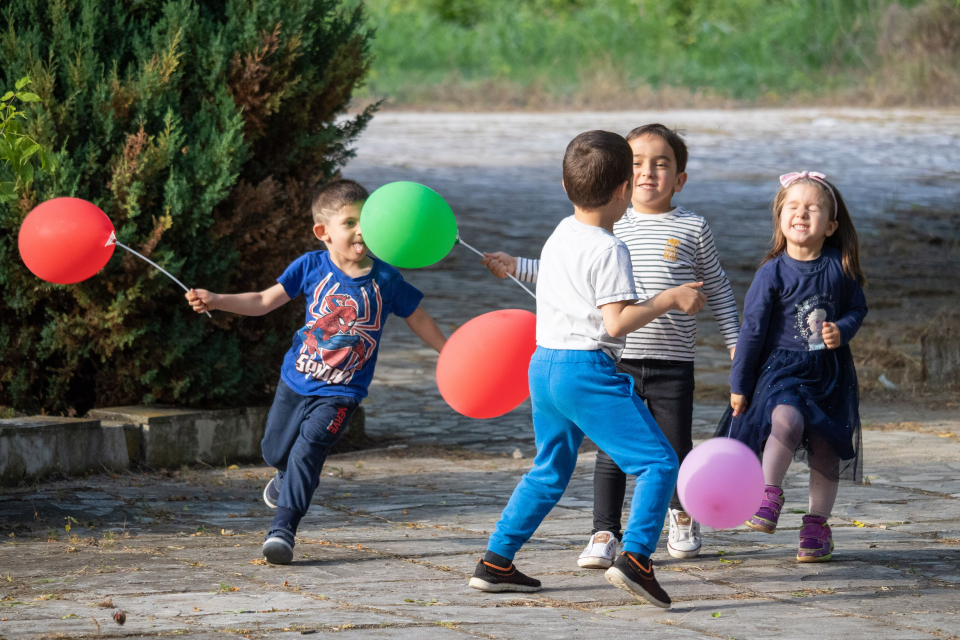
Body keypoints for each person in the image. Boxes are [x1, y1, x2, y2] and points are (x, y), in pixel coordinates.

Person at [468, 130, 707, 608]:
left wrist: (516, 264)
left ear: (565, 185)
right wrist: (670, 298)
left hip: (544, 366)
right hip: (585, 370)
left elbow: (559, 280)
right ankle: (637, 558)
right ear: (624, 188)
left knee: (549, 470)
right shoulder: (609, 248)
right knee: (658, 462)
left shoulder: (562, 231)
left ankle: (495, 560)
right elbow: (616, 322)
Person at [185, 179, 447, 565]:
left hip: (342, 393)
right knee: (274, 452)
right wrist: (217, 300)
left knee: (309, 451)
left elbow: (418, 317)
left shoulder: (387, 279)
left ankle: (283, 529)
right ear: (323, 232)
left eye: (368, 221)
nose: (361, 231)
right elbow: (262, 301)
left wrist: (450, 352)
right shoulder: (310, 266)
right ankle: (282, 477)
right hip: (296, 382)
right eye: (350, 223)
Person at [719, 171, 867, 563]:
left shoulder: (841, 267)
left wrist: (844, 330)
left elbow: (857, 307)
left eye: (813, 208)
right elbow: (751, 332)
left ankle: (816, 526)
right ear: (780, 218)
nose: (801, 214)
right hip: (781, 371)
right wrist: (740, 384)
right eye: (793, 207)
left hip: (829, 374)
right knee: (786, 421)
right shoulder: (772, 273)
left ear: (831, 225)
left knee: (826, 447)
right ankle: (767, 494)